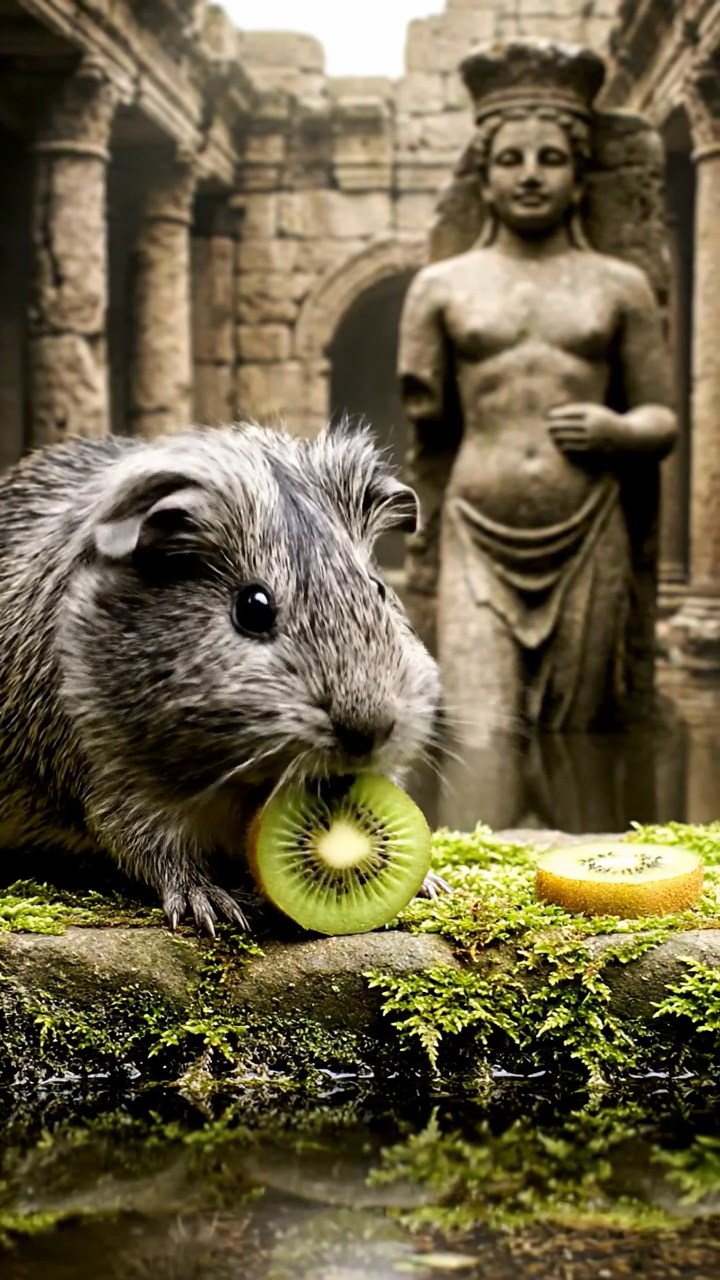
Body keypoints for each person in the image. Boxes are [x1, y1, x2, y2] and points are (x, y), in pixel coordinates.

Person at [398, 40, 677, 753]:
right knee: (479, 737)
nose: (529, 176)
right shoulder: (442, 287)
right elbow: (426, 421)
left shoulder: (620, 285)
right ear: (483, 177)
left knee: (579, 735)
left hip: (590, 529)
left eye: (550, 158)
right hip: (475, 527)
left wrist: (617, 430)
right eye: (509, 160)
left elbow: (662, 418)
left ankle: (582, 866)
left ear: (580, 177)